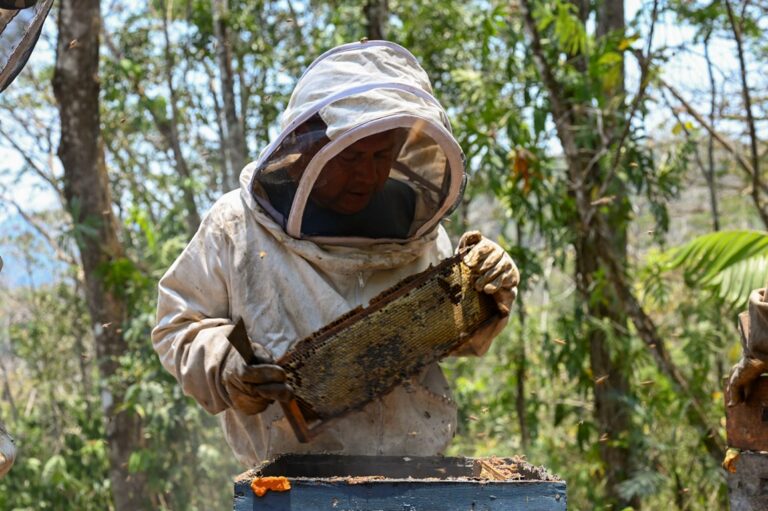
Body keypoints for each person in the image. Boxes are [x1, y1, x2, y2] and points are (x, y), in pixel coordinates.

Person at [152, 40, 519, 467]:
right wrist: (227, 366)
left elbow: (452, 336)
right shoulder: (237, 227)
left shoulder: (413, 224)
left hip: (411, 473)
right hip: (287, 481)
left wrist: (489, 291)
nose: (367, 174)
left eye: (382, 155)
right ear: (308, 149)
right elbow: (176, 327)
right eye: (352, 156)